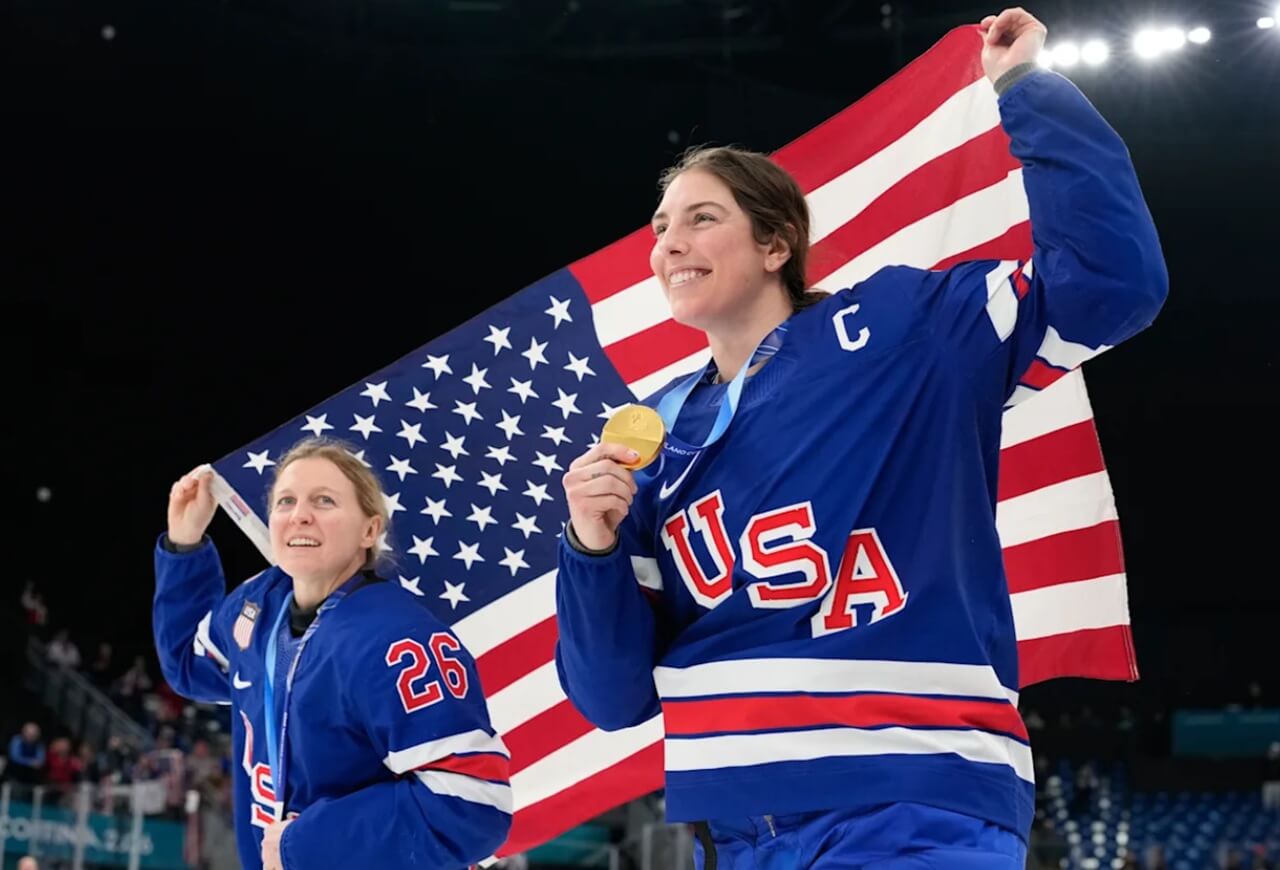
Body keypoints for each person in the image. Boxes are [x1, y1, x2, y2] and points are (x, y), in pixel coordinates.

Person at [554, 7, 1167, 869]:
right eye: (660, 227)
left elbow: (1113, 283)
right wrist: (589, 549)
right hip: (741, 834)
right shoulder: (652, 437)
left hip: (912, 798)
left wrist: (1029, 89)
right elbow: (612, 699)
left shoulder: (902, 328)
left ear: (776, 244)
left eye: (700, 218)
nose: (668, 245)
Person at [154, 437, 512, 870]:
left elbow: (472, 806)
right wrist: (184, 543)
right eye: (286, 501)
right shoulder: (257, 604)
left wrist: (305, 844)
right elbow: (187, 666)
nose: (299, 515)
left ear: (369, 531)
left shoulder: (398, 638)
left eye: (324, 500)